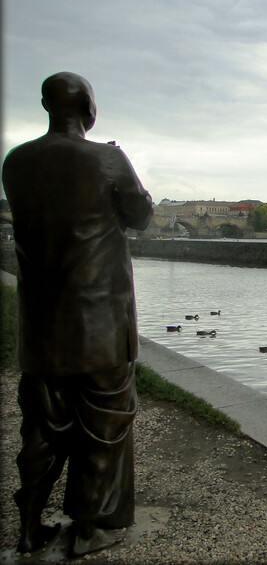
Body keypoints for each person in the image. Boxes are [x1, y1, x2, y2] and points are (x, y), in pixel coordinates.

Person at [1, 72, 153, 556]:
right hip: (100, 325)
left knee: (42, 428)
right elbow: (141, 215)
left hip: (42, 325)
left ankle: (27, 529)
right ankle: (93, 527)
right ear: (89, 106)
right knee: (105, 426)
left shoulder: (16, 162)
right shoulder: (107, 157)